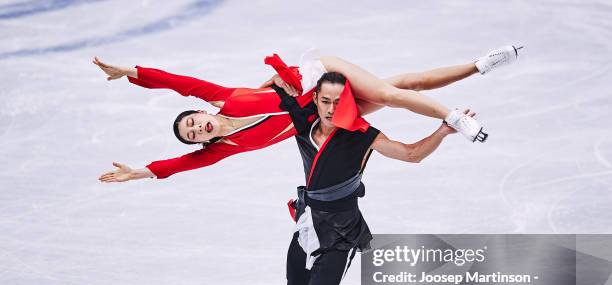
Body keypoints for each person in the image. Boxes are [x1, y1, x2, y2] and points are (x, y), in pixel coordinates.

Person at [266, 71, 478, 285]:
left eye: (338, 102)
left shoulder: (362, 134)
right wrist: (278, 80)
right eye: (325, 101)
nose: (331, 108)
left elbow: (411, 154)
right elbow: (263, 98)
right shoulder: (302, 121)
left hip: (342, 231)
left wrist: (443, 130)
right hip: (308, 221)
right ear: (315, 100)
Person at [94, 46, 521, 182]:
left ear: (200, 111)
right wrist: (141, 172)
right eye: (192, 134)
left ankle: (455, 118)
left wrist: (130, 71)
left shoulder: (221, 99)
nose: (196, 128)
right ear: (201, 140)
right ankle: (479, 65)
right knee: (407, 85)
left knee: (391, 94)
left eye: (191, 120)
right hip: (326, 108)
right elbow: (180, 165)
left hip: (318, 79)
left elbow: (173, 79)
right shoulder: (225, 147)